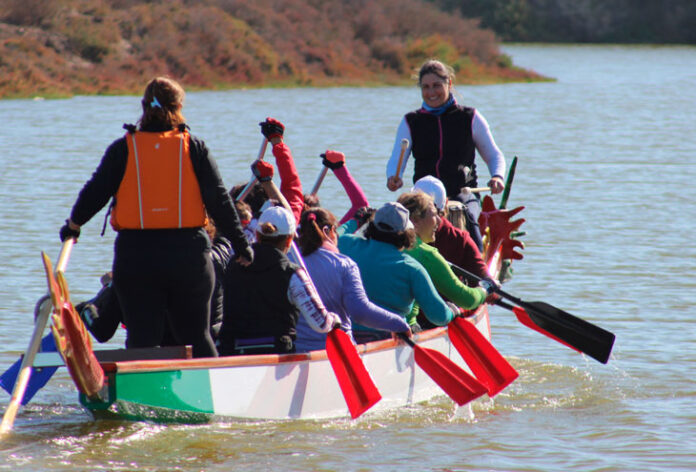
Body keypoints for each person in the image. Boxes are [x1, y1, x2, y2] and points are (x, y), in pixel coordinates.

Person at [59, 76, 253, 358]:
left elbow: (96, 192)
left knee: (142, 339)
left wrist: (74, 225)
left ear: (143, 106)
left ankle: (140, 383)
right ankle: (208, 382)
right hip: (188, 256)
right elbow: (219, 200)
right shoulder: (194, 148)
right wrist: (241, 245)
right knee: (197, 336)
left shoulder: (123, 148)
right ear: (179, 107)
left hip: (137, 257)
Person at [385, 59, 506, 251]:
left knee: (468, 216)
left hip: (463, 192)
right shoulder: (411, 121)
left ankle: (478, 263)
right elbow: (396, 159)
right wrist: (393, 176)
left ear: (449, 83)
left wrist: (497, 176)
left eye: (436, 85)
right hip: (423, 196)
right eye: (425, 87)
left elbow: (494, 155)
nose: (431, 92)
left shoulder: (470, 117)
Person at [219, 206, 340, 355]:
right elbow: (320, 324)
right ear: (289, 240)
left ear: (257, 234)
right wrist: (334, 320)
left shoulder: (233, 263)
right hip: (275, 353)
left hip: (231, 351)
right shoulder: (292, 273)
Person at [294, 208, 411, 351]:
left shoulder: (289, 262)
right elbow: (360, 312)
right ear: (329, 231)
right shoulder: (344, 265)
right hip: (337, 351)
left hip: (297, 350)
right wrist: (398, 324)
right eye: (336, 231)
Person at [338, 202, 456, 341]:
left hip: (345, 337)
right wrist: (452, 312)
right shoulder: (412, 268)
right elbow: (439, 317)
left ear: (371, 227)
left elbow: (331, 237)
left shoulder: (346, 244)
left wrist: (355, 221)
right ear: (407, 234)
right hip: (389, 339)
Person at [396, 191, 491, 329]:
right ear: (415, 220)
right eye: (434, 214)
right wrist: (485, 289)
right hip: (404, 329)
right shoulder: (426, 254)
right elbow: (467, 300)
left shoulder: (378, 244)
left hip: (370, 328)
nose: (440, 220)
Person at [412, 175, 493, 285]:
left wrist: (488, 282)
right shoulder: (461, 239)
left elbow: (483, 277)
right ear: (446, 203)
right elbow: (483, 277)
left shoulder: (399, 235)